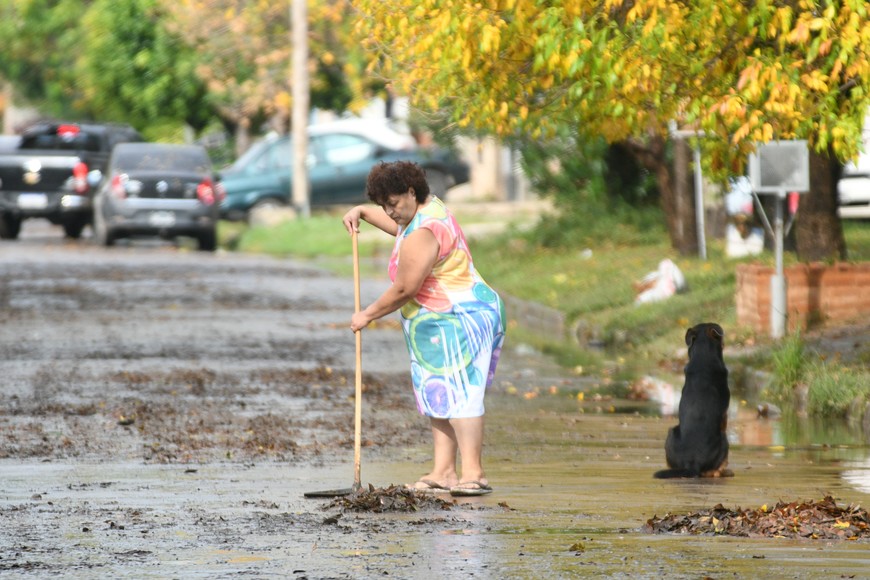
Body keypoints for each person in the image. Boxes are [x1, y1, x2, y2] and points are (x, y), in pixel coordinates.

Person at [342, 161, 505, 497]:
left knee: (461, 394)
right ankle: (444, 471)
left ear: (411, 192)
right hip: (436, 323)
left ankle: (473, 473)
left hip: (458, 319)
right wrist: (363, 212)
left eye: (394, 203)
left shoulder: (424, 231)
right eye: (382, 205)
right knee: (438, 393)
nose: (390, 211)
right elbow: (398, 224)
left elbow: (405, 288)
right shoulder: (422, 210)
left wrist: (367, 315)